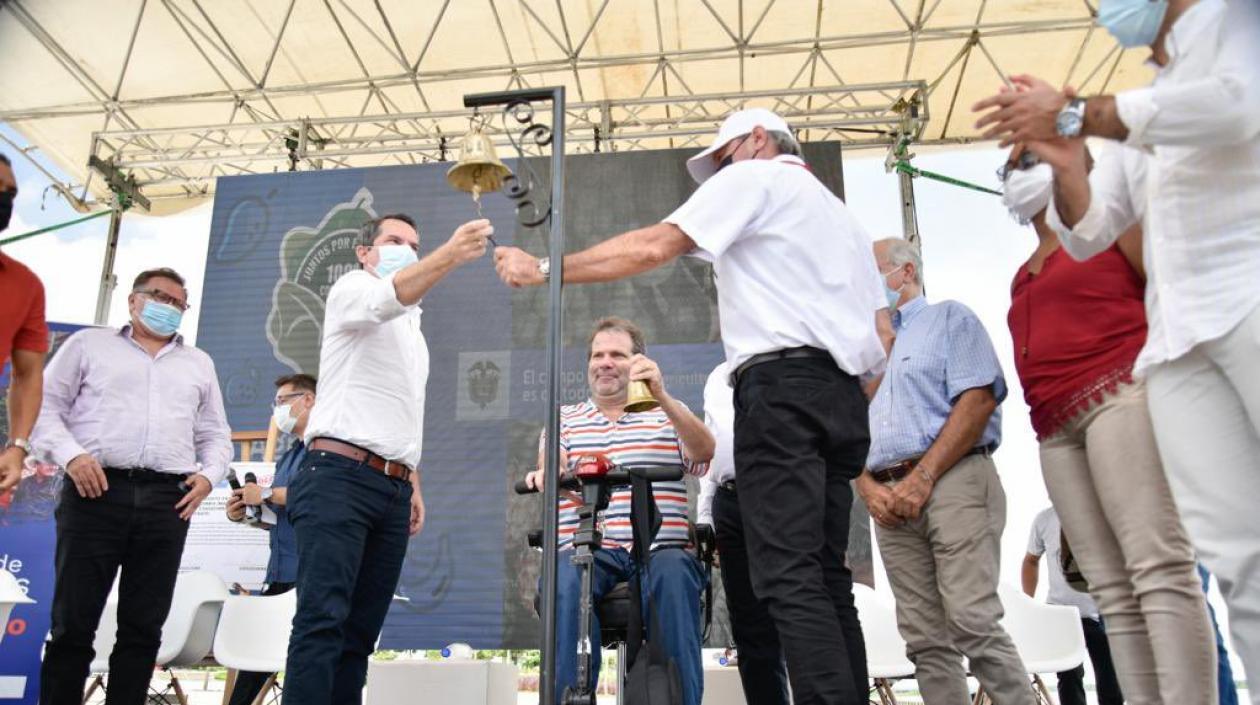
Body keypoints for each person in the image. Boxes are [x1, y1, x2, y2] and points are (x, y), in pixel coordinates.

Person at [496, 108, 889, 705]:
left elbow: (656, 245)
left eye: (723, 158)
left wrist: (544, 270)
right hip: (841, 395)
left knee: (789, 577)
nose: (718, 177)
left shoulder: (757, 177)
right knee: (827, 578)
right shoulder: (841, 219)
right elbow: (882, 339)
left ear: (757, 140)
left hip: (782, 391)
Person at [974, 2, 1260, 695]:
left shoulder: (1237, 26)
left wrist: (1071, 118)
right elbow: (1093, 225)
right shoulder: (1145, 111)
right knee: (1222, 563)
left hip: (1206, 328)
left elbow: (1237, 105)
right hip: (1168, 350)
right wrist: (1070, 162)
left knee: (1162, 568)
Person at [1000, 147, 1216, 703]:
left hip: (1119, 396)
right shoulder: (1023, 276)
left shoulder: (1112, 225)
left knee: (1158, 567)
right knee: (1110, 590)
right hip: (1054, 430)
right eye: (1012, 166)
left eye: (1029, 157)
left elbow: (1173, 298)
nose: (1017, 173)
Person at [283, 213, 492, 705]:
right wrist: (449, 254)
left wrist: (411, 479)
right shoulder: (353, 289)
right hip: (337, 475)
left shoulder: (414, 332)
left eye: (413, 245)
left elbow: (396, 409)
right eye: (393, 240)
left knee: (360, 634)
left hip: (391, 488)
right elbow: (387, 296)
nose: (405, 249)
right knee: (322, 623)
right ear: (364, 251)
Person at [33, 267, 231, 705]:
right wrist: (72, 455)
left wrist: (207, 476)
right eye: (159, 296)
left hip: (167, 500)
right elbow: (42, 408)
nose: (168, 307)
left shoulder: (198, 363)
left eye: (178, 303)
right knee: (73, 623)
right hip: (94, 492)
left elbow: (216, 434)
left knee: (144, 628)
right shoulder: (88, 345)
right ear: (133, 299)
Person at [857, 237, 1033, 705]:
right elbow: (843, 427)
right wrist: (866, 486)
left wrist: (925, 476)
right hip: (887, 497)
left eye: (873, 270)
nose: (867, 283)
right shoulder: (862, 349)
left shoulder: (949, 319)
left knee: (972, 621)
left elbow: (978, 399)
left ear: (905, 272)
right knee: (924, 639)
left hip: (953, 480)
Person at [522, 317, 714, 705]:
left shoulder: (668, 414)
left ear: (638, 363)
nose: (605, 362)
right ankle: (569, 698)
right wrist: (549, 473)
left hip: (660, 548)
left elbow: (704, 454)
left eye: (618, 355)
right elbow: (552, 462)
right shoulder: (566, 418)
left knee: (675, 573)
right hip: (590, 549)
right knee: (565, 577)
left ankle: (679, 699)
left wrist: (661, 394)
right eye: (598, 355)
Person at [696, 360, 789, 705]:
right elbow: (710, 450)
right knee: (750, 628)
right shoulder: (716, 376)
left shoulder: (785, 362)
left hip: (781, 497)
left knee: (800, 614)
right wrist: (706, 516)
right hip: (729, 502)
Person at [225, 373, 314, 705]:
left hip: (306, 575)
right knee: (254, 663)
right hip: (278, 572)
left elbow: (315, 495)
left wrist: (262, 492)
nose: (277, 410)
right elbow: (282, 517)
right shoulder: (291, 454)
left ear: (309, 400)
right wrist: (247, 513)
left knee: (302, 662)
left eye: (282, 401)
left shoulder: (325, 449)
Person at [1022, 507, 1124, 705]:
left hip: (1103, 612)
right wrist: (1029, 604)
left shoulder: (1106, 514)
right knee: (1069, 678)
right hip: (1061, 613)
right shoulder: (1045, 519)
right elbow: (1031, 560)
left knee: (1111, 679)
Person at [0, 153, 48, 493]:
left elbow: (28, 373)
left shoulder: (24, 284)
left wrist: (17, 446)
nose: (5, 198)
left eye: (10, 193)